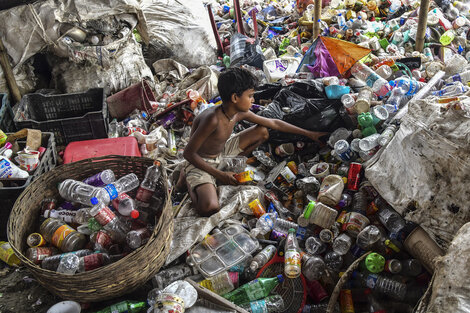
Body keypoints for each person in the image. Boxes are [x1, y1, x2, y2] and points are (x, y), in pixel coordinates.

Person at [177, 68, 328, 216]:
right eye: (250, 96)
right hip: (199, 160)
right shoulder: (212, 119)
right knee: (210, 207)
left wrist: (310, 134)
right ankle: (188, 178)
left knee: (262, 131)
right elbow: (188, 154)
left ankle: (228, 167)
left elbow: (274, 123)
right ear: (235, 98)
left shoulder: (238, 112)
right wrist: (221, 175)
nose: (253, 100)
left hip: (222, 151)